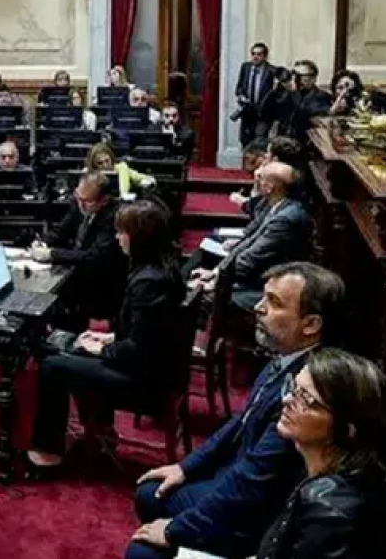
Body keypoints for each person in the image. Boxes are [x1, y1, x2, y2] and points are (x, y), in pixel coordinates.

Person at [127, 262, 346, 559]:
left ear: (310, 325)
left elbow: (254, 481)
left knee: (142, 548)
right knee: (151, 491)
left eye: (274, 303)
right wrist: (185, 467)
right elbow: (240, 422)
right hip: (237, 475)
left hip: (257, 512)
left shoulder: (306, 390)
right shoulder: (282, 359)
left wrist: (176, 530)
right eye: (263, 297)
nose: (258, 307)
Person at [29, 200, 187, 467]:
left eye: (121, 232)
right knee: (63, 344)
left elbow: (140, 350)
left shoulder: (148, 282)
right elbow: (150, 333)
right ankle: (101, 429)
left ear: (138, 237)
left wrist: (102, 349)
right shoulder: (164, 266)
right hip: (156, 368)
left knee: (52, 365)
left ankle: (48, 453)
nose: (117, 238)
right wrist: (109, 339)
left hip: (146, 383)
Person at [256, 349, 386, 558]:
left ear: (348, 430)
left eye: (306, 399)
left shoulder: (331, 512)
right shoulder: (330, 467)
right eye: (294, 387)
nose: (287, 400)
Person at [192, 163, 313, 309]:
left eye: (260, 178)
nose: (256, 180)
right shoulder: (276, 205)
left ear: (270, 188)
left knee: (198, 298)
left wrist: (216, 282)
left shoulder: (285, 220)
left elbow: (252, 257)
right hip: (255, 275)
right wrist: (215, 272)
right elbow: (249, 241)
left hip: (266, 283)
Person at [34, 171, 123, 321]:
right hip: (76, 269)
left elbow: (95, 256)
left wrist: (51, 254)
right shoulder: (80, 203)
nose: (80, 204)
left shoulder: (114, 217)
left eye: (86, 201)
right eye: (78, 197)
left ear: (104, 200)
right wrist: (43, 242)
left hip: (100, 283)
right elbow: (62, 230)